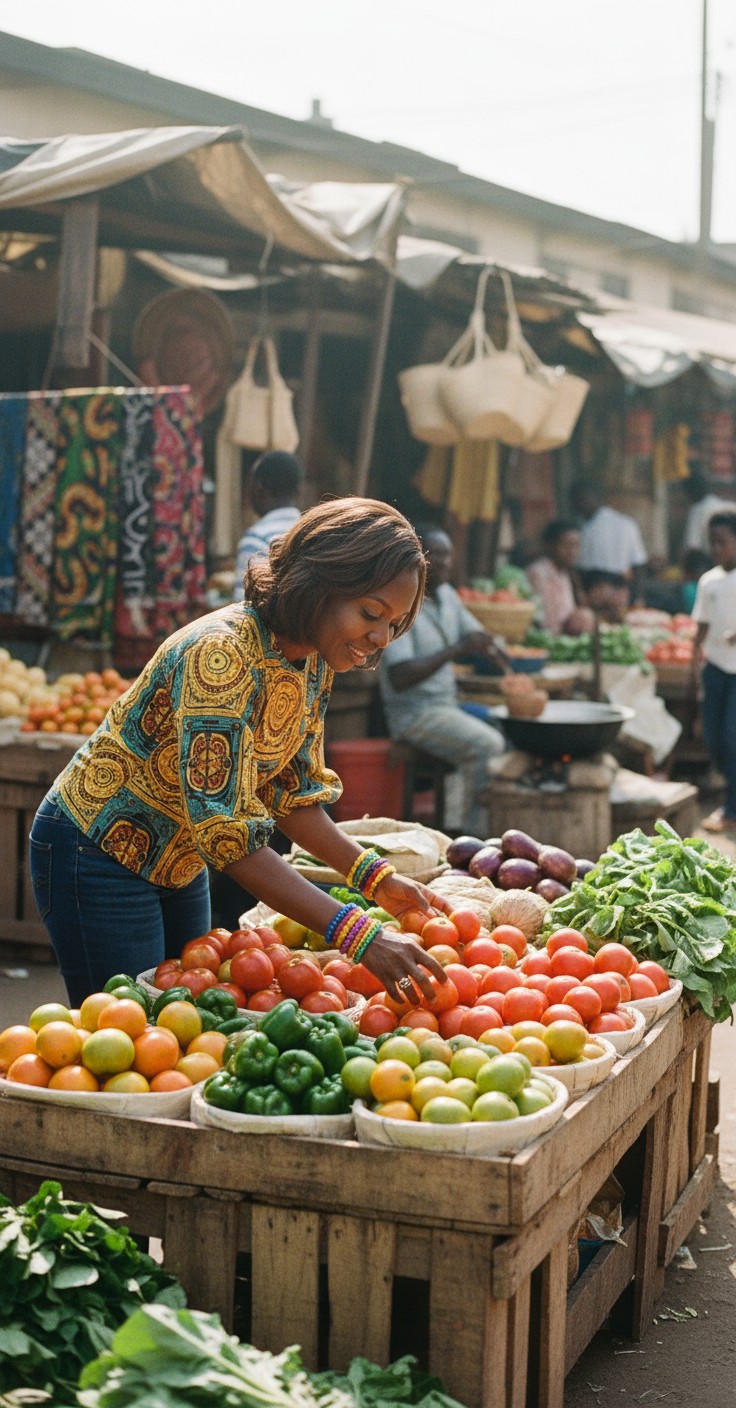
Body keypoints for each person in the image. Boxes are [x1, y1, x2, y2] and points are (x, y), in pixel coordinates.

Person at [29, 499, 450, 1007]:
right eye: (371, 614)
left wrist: (375, 878)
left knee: (186, 1017)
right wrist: (361, 936)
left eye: (394, 624)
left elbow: (292, 795)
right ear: (319, 585)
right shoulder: (220, 655)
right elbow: (227, 834)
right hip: (96, 852)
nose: (380, 638)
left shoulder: (312, 661)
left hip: (180, 858)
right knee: (130, 1024)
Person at [379, 526, 507, 837]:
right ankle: (473, 835)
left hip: (448, 706)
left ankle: (476, 817)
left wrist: (496, 652)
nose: (446, 562)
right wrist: (457, 650)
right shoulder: (400, 602)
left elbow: (476, 635)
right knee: (488, 744)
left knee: (508, 725)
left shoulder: (448, 596)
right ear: (417, 558)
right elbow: (400, 676)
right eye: (436, 554)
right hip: (414, 715)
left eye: (448, 554)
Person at [691, 511, 736, 834]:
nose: (717, 548)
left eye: (723, 542)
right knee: (713, 740)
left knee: (732, 739)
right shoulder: (709, 582)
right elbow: (702, 626)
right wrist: (693, 666)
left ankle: (731, 809)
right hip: (715, 669)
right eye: (713, 542)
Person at [233, 451, 303, 602]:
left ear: (258, 489)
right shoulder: (311, 531)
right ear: (297, 490)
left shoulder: (256, 539)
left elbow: (243, 606)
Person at [572, 482, 648, 592]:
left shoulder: (587, 528)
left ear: (596, 498)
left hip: (609, 588)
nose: (577, 505)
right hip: (602, 591)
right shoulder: (581, 525)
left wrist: (638, 596)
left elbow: (639, 565)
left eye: (580, 500)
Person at [526, 518, 593, 635]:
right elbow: (547, 621)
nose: (572, 551)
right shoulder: (539, 572)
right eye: (567, 545)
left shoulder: (564, 573)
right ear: (550, 545)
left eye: (576, 545)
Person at [682, 472, 733, 555]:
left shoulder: (697, 510)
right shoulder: (728, 506)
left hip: (711, 559)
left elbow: (692, 546)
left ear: (690, 492)